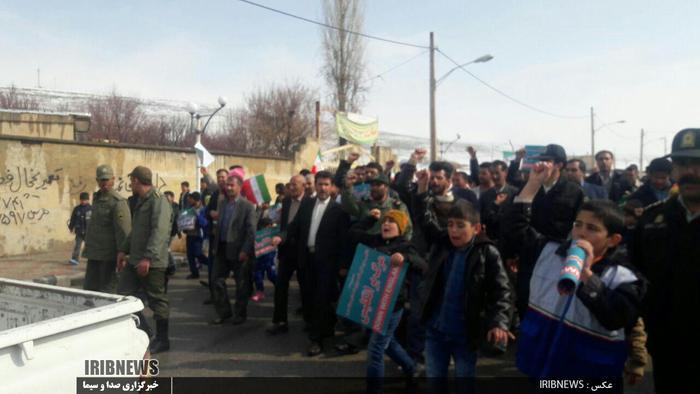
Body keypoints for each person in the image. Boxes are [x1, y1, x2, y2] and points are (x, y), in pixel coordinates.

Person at [504, 162, 646, 379]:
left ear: (613, 240)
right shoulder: (549, 251)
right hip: (543, 362)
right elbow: (515, 228)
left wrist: (587, 275)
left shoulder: (623, 277)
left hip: (590, 373)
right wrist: (532, 184)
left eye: (592, 228)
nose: (580, 233)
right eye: (578, 224)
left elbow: (617, 318)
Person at [631, 128, 700, 393]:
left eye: (698, 163)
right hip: (668, 346)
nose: (690, 171)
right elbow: (635, 277)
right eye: (683, 163)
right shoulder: (651, 221)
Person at [419, 200, 512, 381]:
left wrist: (499, 323)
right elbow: (424, 220)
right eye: (450, 225)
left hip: (465, 334)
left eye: (461, 226)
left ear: (476, 228)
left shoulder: (487, 252)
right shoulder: (443, 244)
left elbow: (502, 291)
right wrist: (421, 190)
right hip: (435, 331)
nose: (453, 230)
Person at [271, 171, 350, 356]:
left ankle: (317, 340)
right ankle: (323, 332)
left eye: (326, 184)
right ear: (314, 185)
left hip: (327, 263)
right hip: (306, 259)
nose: (322, 188)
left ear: (331, 187)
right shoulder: (306, 205)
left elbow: (343, 242)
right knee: (308, 297)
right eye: (320, 184)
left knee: (322, 299)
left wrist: (342, 266)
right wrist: (280, 237)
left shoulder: (338, 211)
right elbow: (293, 226)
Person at [349, 209, 428, 389]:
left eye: (391, 222)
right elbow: (352, 234)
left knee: (375, 350)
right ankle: (411, 367)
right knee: (387, 341)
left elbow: (422, 265)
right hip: (371, 301)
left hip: (391, 305)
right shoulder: (376, 239)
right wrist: (370, 218)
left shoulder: (405, 245)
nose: (386, 224)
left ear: (400, 227)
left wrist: (405, 258)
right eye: (385, 221)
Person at [117, 166, 172, 354]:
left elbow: (160, 231)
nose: (130, 184)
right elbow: (136, 231)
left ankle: (163, 339)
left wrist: (148, 258)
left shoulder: (159, 201)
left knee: (157, 300)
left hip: (152, 262)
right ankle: (145, 332)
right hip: (135, 260)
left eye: (131, 180)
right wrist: (123, 250)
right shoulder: (142, 201)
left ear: (137, 181)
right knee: (124, 295)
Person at [210, 174, 257, 325]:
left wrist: (245, 250)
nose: (228, 188)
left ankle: (240, 314)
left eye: (232, 185)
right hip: (222, 248)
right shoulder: (223, 203)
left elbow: (251, 231)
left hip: (238, 250)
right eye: (227, 185)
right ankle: (224, 312)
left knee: (241, 284)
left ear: (239, 187)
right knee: (215, 280)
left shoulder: (247, 206)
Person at [267, 175, 310, 335]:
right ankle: (280, 321)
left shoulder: (310, 203)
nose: (291, 187)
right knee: (280, 286)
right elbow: (283, 225)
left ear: (304, 185)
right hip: (285, 250)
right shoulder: (285, 202)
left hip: (303, 252)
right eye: (290, 184)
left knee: (305, 288)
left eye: (295, 184)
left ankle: (308, 320)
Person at [83, 165, 131, 293]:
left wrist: (123, 253)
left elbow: (124, 231)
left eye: (107, 179)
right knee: (90, 290)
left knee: (107, 292)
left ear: (113, 179)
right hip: (94, 254)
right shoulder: (97, 198)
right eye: (101, 180)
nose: (104, 183)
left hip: (108, 256)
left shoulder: (118, 202)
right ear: (97, 180)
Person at [183, 192, 209, 280]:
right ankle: (194, 273)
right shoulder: (189, 209)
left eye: (191, 199)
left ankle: (212, 265)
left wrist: (197, 215)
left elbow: (205, 223)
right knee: (190, 255)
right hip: (190, 235)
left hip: (198, 236)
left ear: (196, 200)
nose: (189, 200)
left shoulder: (204, 210)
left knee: (198, 255)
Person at [251, 218, 277, 302]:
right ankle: (260, 292)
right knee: (258, 276)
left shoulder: (273, 234)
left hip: (270, 259)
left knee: (272, 275)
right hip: (259, 259)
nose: (269, 227)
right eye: (268, 226)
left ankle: (280, 288)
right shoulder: (257, 234)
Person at [68, 192, 92, 265]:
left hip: (88, 232)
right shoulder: (77, 209)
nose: (83, 201)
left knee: (89, 246)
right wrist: (71, 227)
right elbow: (73, 219)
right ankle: (75, 259)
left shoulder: (91, 209)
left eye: (85, 200)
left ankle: (92, 259)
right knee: (77, 246)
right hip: (79, 231)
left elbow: (95, 220)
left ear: (88, 200)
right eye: (82, 200)